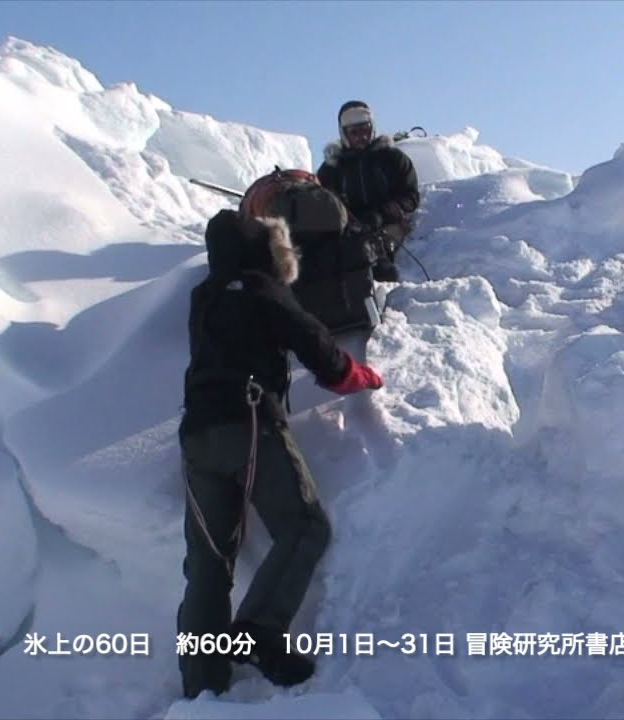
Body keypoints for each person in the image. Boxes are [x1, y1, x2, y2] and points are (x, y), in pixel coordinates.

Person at [176, 208, 384, 699]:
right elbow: (316, 345)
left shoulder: (202, 297)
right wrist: (359, 376)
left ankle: (201, 687)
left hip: (196, 437)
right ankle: (259, 632)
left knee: (209, 564)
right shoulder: (262, 289)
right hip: (250, 424)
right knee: (306, 526)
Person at [316, 100, 421, 282]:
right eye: (354, 132)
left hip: (386, 227)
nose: (361, 137)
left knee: (381, 268)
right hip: (348, 230)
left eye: (365, 130)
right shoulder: (331, 168)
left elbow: (411, 195)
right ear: (344, 134)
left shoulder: (393, 159)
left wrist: (392, 208)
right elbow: (322, 204)